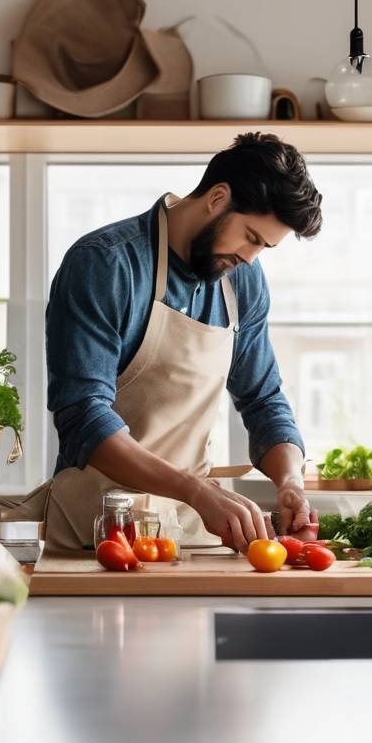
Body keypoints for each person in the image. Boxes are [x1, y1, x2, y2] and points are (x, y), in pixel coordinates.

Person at [35, 132, 323, 552]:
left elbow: (263, 399)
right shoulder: (105, 264)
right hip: (97, 535)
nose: (250, 257)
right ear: (218, 197)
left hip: (193, 535)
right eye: (251, 237)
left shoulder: (243, 280)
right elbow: (83, 416)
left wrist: (291, 481)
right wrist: (196, 490)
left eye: (265, 248)